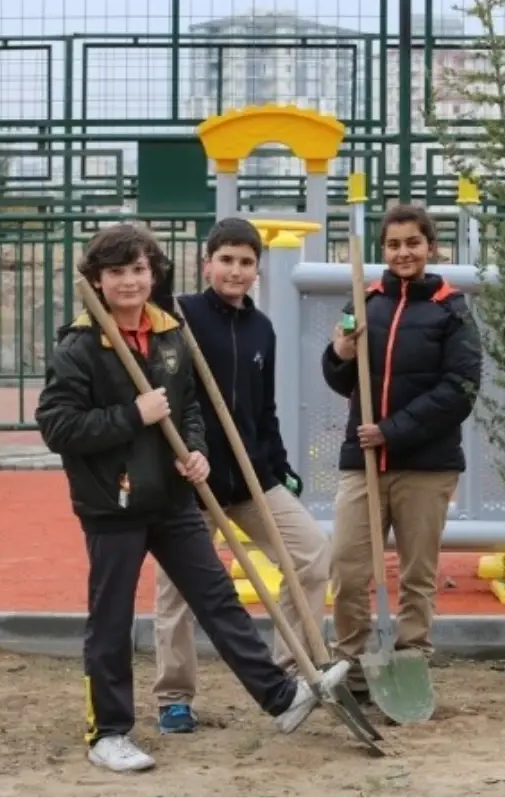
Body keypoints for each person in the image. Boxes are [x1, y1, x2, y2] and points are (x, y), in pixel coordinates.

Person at [34, 223, 346, 774]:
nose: (129, 281)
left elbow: (191, 410)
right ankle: (107, 732)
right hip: (117, 503)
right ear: (97, 281)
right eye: (116, 272)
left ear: (152, 274)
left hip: (175, 497)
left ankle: (279, 696)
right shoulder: (81, 345)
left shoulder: (170, 336)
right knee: (111, 618)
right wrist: (133, 415)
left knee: (218, 598)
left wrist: (195, 450)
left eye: (137, 270)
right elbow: (58, 426)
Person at [151, 218, 332, 734]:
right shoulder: (177, 317)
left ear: (258, 269)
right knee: (177, 591)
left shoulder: (262, 329)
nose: (235, 270)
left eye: (246, 262)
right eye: (225, 259)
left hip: (250, 479)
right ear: (207, 263)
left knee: (313, 555)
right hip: (189, 481)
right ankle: (174, 697)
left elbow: (264, 410)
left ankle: (287, 675)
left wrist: (279, 467)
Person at [323, 203, 482, 701]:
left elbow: (461, 389)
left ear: (430, 247)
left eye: (413, 242)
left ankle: (411, 666)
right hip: (364, 463)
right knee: (348, 572)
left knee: (417, 576)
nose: (403, 252)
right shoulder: (364, 302)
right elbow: (340, 379)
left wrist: (390, 431)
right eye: (393, 245)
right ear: (383, 250)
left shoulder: (450, 308)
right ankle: (349, 667)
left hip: (425, 466)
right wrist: (339, 355)